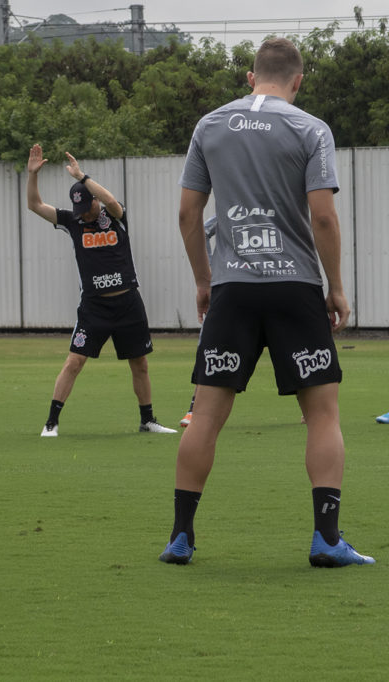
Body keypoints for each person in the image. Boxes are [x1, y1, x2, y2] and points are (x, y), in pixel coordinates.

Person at [161, 37, 373, 568]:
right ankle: (326, 540)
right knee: (322, 415)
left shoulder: (209, 125)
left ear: (250, 77)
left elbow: (189, 216)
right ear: (298, 81)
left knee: (205, 415)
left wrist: (205, 281)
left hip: (232, 289)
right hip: (294, 288)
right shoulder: (310, 128)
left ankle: (181, 538)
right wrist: (337, 288)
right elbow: (322, 217)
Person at [26, 146, 176, 438]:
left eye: (87, 209)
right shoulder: (72, 221)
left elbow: (108, 199)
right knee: (74, 361)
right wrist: (32, 176)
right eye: (79, 211)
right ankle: (51, 423)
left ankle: (147, 420)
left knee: (140, 363)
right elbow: (35, 205)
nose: (83, 216)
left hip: (128, 302)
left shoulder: (115, 216)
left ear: (94, 200)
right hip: (94, 307)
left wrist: (82, 176)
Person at [180, 216, 217, 428]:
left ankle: (308, 408)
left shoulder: (278, 210)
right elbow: (202, 231)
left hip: (273, 284)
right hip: (232, 287)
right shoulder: (233, 211)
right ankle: (194, 409)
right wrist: (209, 278)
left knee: (285, 346)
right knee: (208, 344)